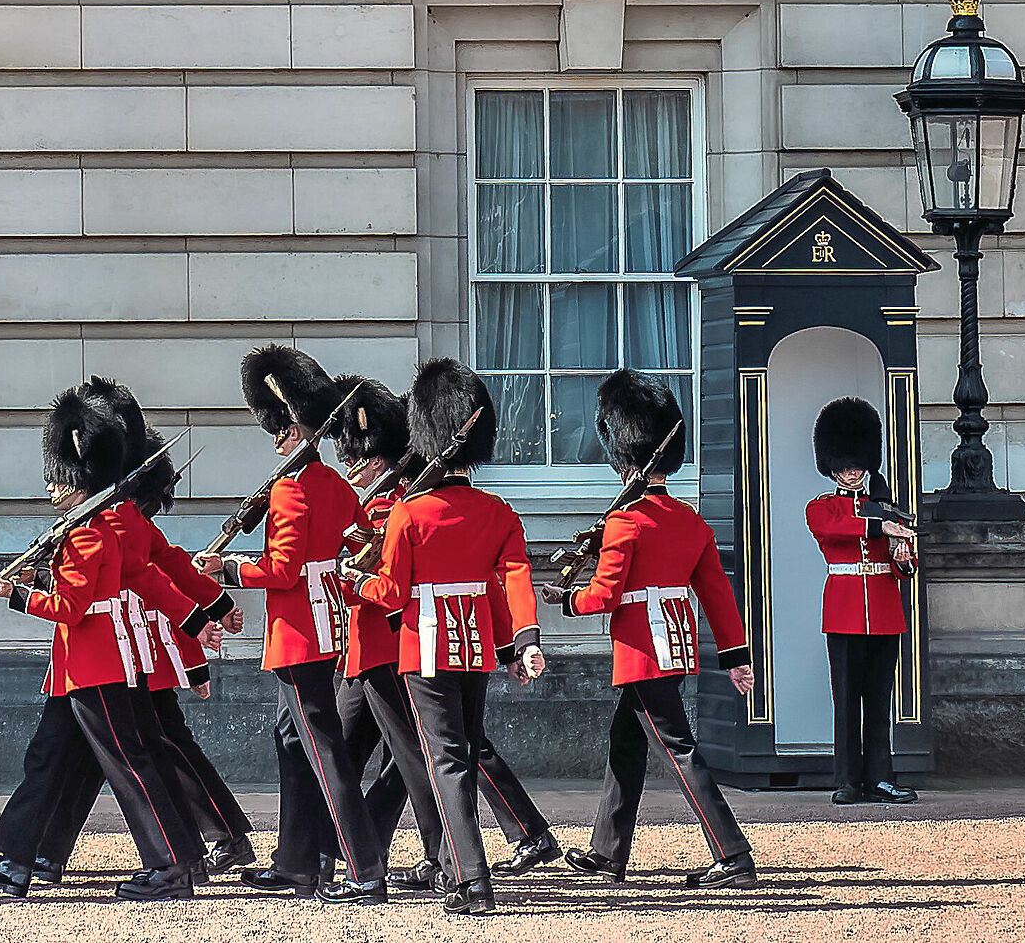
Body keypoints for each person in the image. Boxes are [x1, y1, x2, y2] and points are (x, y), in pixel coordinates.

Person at [0, 383, 206, 901]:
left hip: (96, 665)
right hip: (84, 666)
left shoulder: (86, 533)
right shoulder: (95, 526)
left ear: (79, 479)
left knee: (129, 765)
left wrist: (18, 596)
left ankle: (169, 866)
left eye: (58, 481)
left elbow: (71, 609)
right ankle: (15, 859)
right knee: (47, 759)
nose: (52, 491)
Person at [343, 359, 544, 916]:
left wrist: (353, 579)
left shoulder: (409, 515)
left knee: (446, 761)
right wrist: (524, 641)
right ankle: (464, 870)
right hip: (477, 647)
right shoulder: (497, 512)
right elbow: (514, 579)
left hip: (423, 648)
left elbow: (390, 594)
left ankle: (470, 879)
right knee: (464, 752)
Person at [544, 370, 758, 888]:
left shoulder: (625, 522)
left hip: (641, 648)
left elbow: (605, 596)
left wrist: (565, 600)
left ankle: (733, 855)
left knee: (678, 750)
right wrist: (735, 656)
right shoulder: (688, 518)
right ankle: (606, 851)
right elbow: (717, 596)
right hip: (677, 644)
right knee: (627, 741)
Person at [194, 346, 387, 905]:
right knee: (292, 740)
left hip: (300, 634)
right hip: (329, 624)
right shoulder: (334, 483)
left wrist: (225, 567)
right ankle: (299, 863)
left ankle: (363, 866)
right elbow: (364, 540)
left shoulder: (289, 489)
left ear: (289, 429)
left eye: (278, 429)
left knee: (324, 751)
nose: (274, 439)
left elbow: (279, 571)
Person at [15, 418, 246, 882]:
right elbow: (166, 571)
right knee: (87, 756)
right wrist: (211, 610)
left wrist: (204, 621)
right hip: (116, 652)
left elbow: (148, 579)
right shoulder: (118, 518)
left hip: (121, 651)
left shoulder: (116, 520)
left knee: (142, 755)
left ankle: (189, 851)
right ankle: (42, 853)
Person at [810, 396, 921, 805]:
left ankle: (880, 778)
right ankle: (847, 780)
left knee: (878, 701)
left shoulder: (887, 508)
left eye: (857, 464)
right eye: (844, 465)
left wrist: (904, 555)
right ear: (833, 466)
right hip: (843, 614)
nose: (852, 471)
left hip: (885, 614)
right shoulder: (821, 507)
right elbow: (837, 529)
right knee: (846, 701)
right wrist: (883, 525)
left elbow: (903, 570)